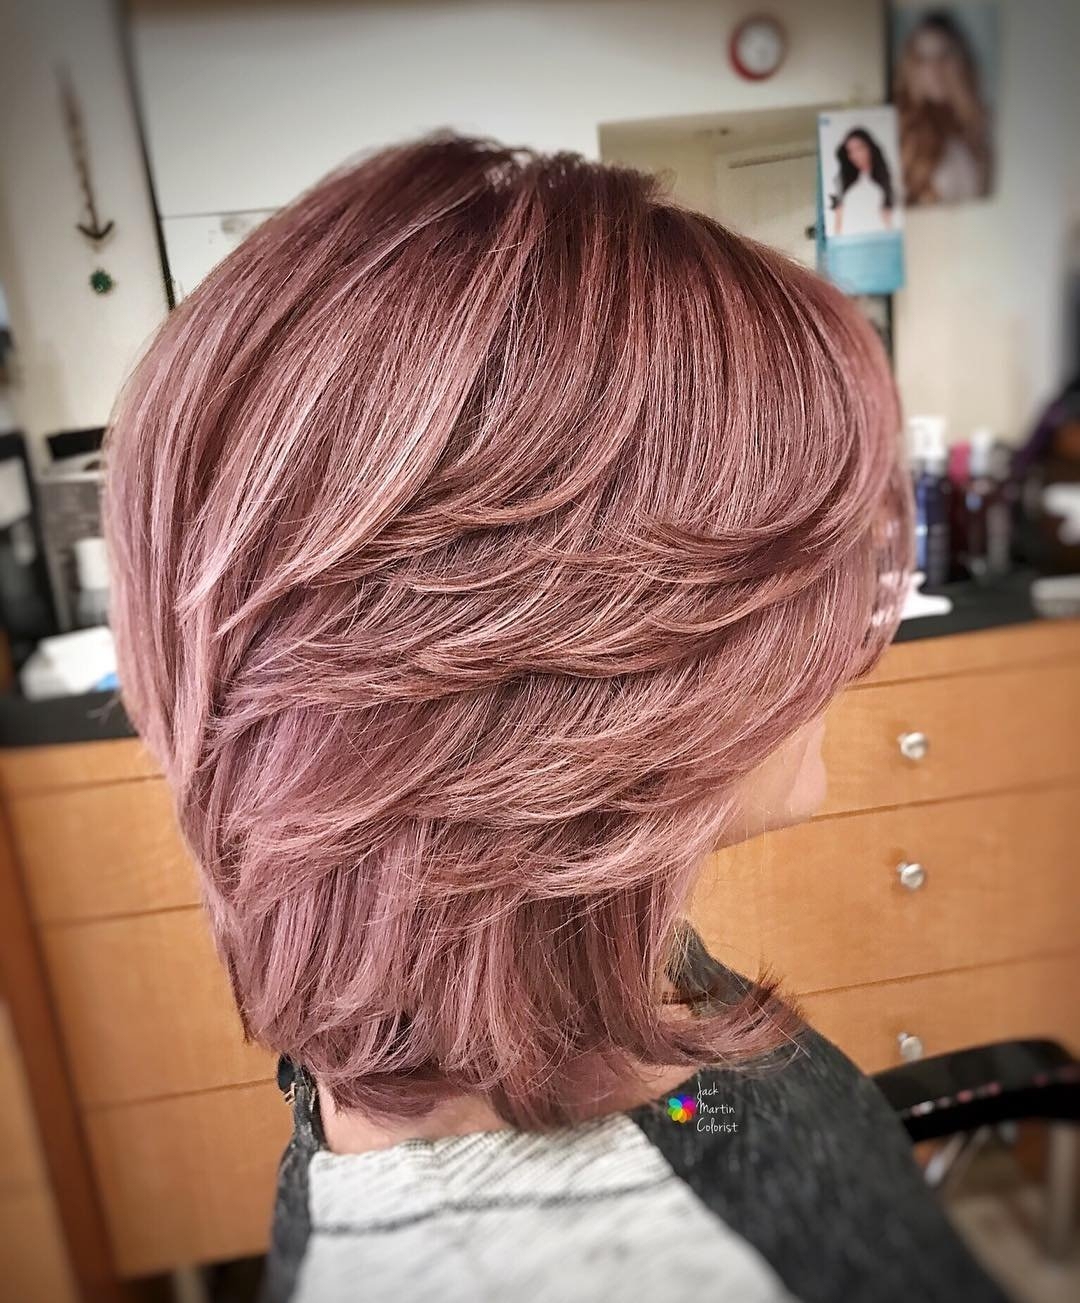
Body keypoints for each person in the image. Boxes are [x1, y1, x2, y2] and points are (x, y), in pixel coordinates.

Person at [104, 136, 1007, 1303]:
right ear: (563, 683)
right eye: (798, 584)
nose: (841, 646)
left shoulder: (485, 987)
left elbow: (705, 1113)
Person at [893, 8, 993, 205]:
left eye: (944, 56)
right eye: (923, 59)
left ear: (960, 62)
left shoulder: (979, 125)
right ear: (912, 67)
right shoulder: (906, 128)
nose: (934, 69)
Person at [831, 127, 896, 236]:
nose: (855, 156)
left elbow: (889, 221)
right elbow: (838, 222)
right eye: (850, 151)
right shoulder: (849, 183)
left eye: (859, 148)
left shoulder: (886, 180)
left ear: (870, 148)